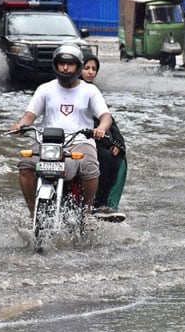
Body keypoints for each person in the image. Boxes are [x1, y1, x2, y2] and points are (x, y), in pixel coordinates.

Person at [9, 44, 113, 231]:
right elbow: (30, 115)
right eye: (62, 63)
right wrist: (20, 125)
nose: (65, 68)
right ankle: (32, 214)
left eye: (70, 64)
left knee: (90, 165)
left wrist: (100, 128)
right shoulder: (45, 89)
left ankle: (87, 213)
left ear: (78, 66)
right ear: (55, 65)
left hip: (79, 142)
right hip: (47, 142)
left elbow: (106, 116)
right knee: (25, 165)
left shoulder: (90, 91)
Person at [80, 53, 127, 222]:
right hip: (70, 140)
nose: (91, 72)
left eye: (94, 69)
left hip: (92, 140)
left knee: (114, 156)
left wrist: (117, 142)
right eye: (86, 68)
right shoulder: (58, 88)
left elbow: (108, 120)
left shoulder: (94, 92)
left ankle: (103, 204)